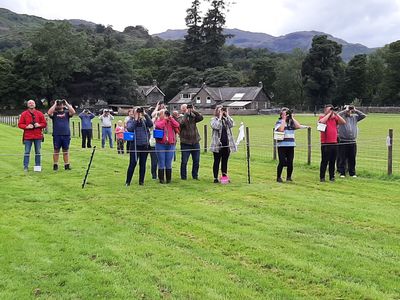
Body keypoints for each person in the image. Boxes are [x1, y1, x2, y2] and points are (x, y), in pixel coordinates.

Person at [274, 108, 309, 182]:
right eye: (284, 114)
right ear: (281, 115)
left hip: (291, 144)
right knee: (282, 161)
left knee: (290, 162)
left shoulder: (291, 122)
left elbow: (298, 126)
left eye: (287, 114)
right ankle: (278, 177)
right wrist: (283, 119)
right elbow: (281, 129)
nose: (286, 115)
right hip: (282, 145)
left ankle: (289, 177)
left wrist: (292, 117)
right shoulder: (279, 122)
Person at [126, 107, 153, 186]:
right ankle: (128, 181)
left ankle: (141, 181)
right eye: (137, 112)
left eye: (139, 112)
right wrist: (135, 119)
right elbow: (130, 129)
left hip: (144, 145)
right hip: (135, 146)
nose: (139, 113)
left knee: (143, 164)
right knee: (132, 163)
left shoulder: (144, 121)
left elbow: (151, 124)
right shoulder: (130, 121)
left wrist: (145, 115)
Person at [318, 104, 346, 182]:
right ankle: (322, 177)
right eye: (329, 109)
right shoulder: (322, 117)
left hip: (334, 142)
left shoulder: (335, 119)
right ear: (325, 110)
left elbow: (343, 122)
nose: (331, 111)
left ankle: (332, 177)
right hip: (325, 143)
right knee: (324, 161)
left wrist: (336, 114)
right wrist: (329, 114)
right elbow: (321, 122)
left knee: (332, 161)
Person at [337, 105, 366, 178]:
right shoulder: (341, 118)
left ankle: (352, 173)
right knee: (342, 158)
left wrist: (355, 110)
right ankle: (342, 173)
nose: (349, 112)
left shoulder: (354, 117)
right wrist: (344, 111)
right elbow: (337, 115)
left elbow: (363, 115)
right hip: (343, 141)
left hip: (352, 141)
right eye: (348, 110)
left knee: (352, 158)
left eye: (350, 110)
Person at [210, 106, 237, 183]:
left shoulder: (226, 120)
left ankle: (224, 178)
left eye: (223, 110)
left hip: (226, 144)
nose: (222, 112)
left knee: (225, 161)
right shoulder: (213, 120)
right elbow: (216, 126)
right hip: (217, 144)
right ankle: (215, 178)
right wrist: (220, 117)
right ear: (217, 112)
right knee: (216, 161)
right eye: (220, 111)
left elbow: (232, 124)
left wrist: (227, 115)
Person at [18, 100, 47, 172]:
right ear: (27, 105)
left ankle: (37, 167)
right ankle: (25, 166)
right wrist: (27, 126)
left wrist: (39, 125)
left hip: (38, 136)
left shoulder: (40, 113)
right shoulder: (24, 114)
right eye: (29, 103)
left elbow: (44, 123)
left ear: (35, 105)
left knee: (38, 152)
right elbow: (20, 124)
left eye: (32, 103)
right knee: (27, 152)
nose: (31, 104)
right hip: (28, 136)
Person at [48, 99, 76, 171]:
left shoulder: (66, 113)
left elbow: (73, 112)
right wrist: (55, 103)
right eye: (58, 104)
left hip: (66, 134)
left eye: (60, 104)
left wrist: (66, 103)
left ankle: (67, 165)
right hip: (57, 134)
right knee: (56, 150)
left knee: (65, 150)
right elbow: (49, 112)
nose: (59, 105)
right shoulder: (54, 114)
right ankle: (55, 164)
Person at [178, 104, 203, 180]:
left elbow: (201, 118)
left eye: (188, 108)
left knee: (196, 161)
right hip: (185, 143)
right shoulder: (180, 117)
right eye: (185, 109)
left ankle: (195, 176)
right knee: (184, 161)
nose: (188, 110)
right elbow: (181, 123)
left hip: (195, 142)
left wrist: (194, 111)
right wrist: (186, 114)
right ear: (182, 110)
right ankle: (183, 177)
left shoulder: (193, 117)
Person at [154, 109, 180, 184]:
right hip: (160, 144)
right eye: (164, 114)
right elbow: (159, 126)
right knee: (161, 162)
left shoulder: (171, 121)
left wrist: (171, 118)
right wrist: (165, 120)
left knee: (169, 162)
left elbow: (177, 125)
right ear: (160, 115)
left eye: (166, 114)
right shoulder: (158, 121)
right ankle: (161, 179)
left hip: (170, 144)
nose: (166, 115)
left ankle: (169, 179)